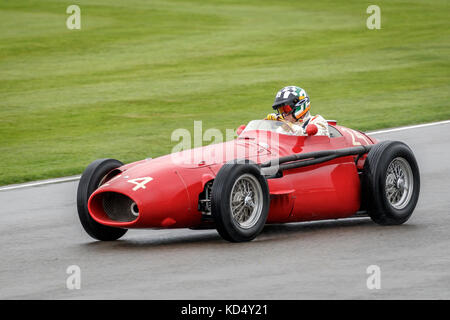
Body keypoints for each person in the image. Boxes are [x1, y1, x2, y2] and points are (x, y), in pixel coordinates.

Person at [265, 86, 329, 136]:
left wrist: (287, 124)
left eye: (286, 109)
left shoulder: (318, 121)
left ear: (300, 106)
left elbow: (312, 136)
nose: (283, 114)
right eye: (281, 110)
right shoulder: (283, 128)